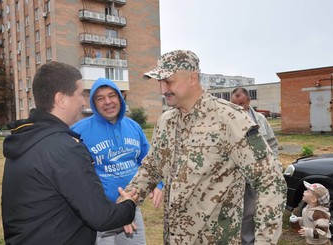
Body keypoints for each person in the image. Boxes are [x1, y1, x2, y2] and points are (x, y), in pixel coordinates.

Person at [124, 50, 287, 244]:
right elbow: (151, 167)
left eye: (168, 81)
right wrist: (129, 200)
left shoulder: (230, 119)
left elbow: (270, 181)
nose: (162, 89)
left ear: (193, 78)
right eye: (160, 82)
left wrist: (264, 241)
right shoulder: (166, 121)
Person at [1, 61, 137, 245]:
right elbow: (101, 217)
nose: (83, 101)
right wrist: (129, 205)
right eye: (80, 94)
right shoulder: (65, 149)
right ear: (60, 99)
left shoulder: (28, 137)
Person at [71, 78, 164, 244]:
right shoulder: (79, 131)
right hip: (99, 213)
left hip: (130, 208)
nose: (108, 102)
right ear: (93, 103)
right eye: (100, 98)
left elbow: (149, 161)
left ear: (120, 99)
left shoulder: (134, 127)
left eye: (112, 95)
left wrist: (157, 185)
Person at [230, 87, 279, 245]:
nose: (238, 106)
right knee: (244, 213)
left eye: (241, 103)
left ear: (248, 101)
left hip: (260, 175)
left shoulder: (260, 120)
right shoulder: (227, 120)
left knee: (260, 210)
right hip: (236, 177)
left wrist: (272, 164)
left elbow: (271, 143)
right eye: (234, 103)